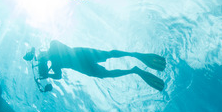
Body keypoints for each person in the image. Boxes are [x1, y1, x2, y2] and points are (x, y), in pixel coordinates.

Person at [24, 40, 166, 91]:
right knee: (106, 74)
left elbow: (56, 47)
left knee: (109, 54)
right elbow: (59, 76)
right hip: (82, 67)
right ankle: (135, 71)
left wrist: (46, 58)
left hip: (82, 55)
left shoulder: (52, 45)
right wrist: (47, 73)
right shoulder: (54, 65)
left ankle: (135, 54)